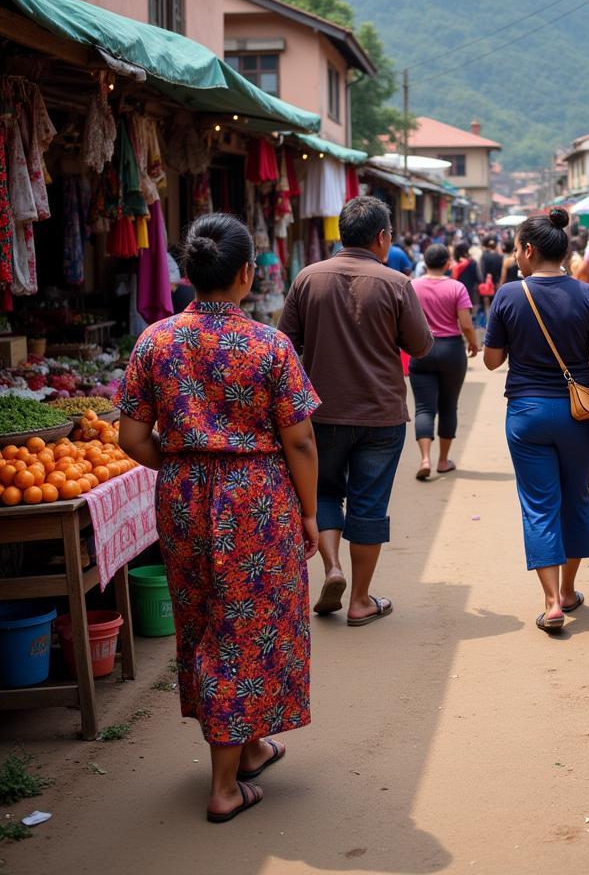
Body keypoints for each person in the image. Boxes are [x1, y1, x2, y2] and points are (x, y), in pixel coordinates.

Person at [115, 214, 320, 823]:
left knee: (207, 619)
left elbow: (131, 436)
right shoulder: (268, 345)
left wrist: (181, 462)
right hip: (257, 499)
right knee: (247, 628)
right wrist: (309, 512)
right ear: (245, 274)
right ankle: (225, 786)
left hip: (182, 498)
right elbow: (301, 441)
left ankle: (250, 747)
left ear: (188, 273)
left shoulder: (155, 341)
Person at [279, 198, 433, 625]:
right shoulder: (396, 283)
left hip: (321, 414)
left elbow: (283, 343)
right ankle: (361, 600)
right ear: (382, 237)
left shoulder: (307, 278)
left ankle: (331, 568)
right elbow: (420, 346)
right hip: (381, 414)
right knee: (369, 504)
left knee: (324, 492)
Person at [484, 208, 589, 634]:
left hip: (526, 414)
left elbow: (491, 361)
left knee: (540, 505)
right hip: (577, 415)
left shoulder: (508, 295)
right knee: (575, 498)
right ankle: (568, 591)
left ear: (527, 250)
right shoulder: (588, 295)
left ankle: (550, 603)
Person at [410, 244, 479, 479]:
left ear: (425, 262)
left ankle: (425, 458)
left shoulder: (412, 286)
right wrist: (473, 343)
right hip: (451, 350)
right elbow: (466, 324)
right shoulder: (457, 287)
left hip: (422, 349)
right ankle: (442, 461)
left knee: (423, 408)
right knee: (449, 406)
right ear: (448, 264)